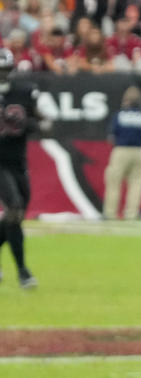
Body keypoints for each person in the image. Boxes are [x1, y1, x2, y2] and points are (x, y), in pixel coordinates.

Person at [0, 48, 47, 289]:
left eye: (5, 71)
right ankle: (23, 272)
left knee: (16, 216)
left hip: (18, 161)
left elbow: (42, 120)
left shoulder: (24, 92)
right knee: (15, 208)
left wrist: (30, 123)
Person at [103, 87, 141, 220]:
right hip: (139, 151)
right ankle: (131, 214)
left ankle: (110, 213)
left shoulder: (120, 115)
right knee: (136, 183)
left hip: (122, 150)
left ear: (126, 100)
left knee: (114, 182)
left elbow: (111, 136)